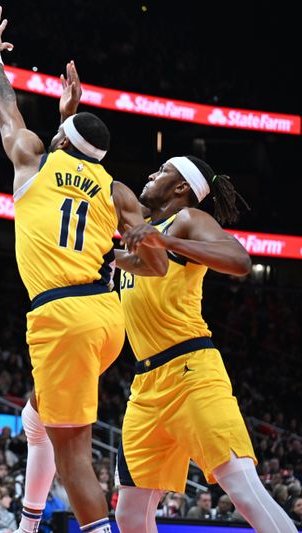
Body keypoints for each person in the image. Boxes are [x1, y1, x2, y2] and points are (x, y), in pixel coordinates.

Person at [0, 6, 167, 533]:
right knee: (36, 416)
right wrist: (121, 257)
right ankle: (28, 524)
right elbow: (156, 261)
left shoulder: (32, 160)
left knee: (73, 454)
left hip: (62, 319)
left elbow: (3, 106)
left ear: (61, 140)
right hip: (107, 316)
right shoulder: (116, 189)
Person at [114, 155, 297, 532]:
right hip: (145, 386)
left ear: (182, 187)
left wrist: (164, 239)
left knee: (244, 492)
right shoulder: (145, 235)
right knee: (130, 514)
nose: (151, 173)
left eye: (163, 170)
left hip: (190, 372)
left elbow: (240, 260)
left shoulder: (186, 220)